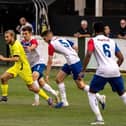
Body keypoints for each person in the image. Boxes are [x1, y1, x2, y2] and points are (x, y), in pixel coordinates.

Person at [41, 30, 105, 108]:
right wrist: (72, 55)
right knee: (58, 79)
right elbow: (75, 47)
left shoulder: (51, 45)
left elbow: (50, 61)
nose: (44, 41)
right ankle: (64, 102)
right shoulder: (60, 38)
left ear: (48, 36)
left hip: (73, 63)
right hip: (71, 62)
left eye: (45, 39)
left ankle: (99, 97)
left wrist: (47, 75)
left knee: (81, 85)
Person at [80, 22, 126, 125]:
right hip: (115, 69)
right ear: (103, 30)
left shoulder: (93, 40)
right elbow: (121, 58)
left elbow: (88, 54)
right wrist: (114, 68)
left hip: (103, 70)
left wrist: (83, 70)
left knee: (91, 92)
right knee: (122, 93)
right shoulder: (111, 41)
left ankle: (99, 119)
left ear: (94, 30)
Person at [0, 30, 53, 106]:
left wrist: (3, 59)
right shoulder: (11, 44)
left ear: (12, 37)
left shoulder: (15, 45)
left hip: (24, 68)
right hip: (17, 66)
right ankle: (4, 96)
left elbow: (16, 59)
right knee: (3, 78)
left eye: (7, 37)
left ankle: (48, 98)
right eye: (5, 37)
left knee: (31, 87)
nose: (5, 38)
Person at [21, 26, 60, 106]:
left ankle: (37, 101)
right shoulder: (22, 42)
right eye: (23, 34)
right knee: (41, 83)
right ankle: (55, 93)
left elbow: (34, 45)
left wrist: (30, 48)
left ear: (30, 33)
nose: (24, 35)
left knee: (34, 77)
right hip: (31, 65)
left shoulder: (33, 40)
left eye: (26, 34)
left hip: (39, 63)